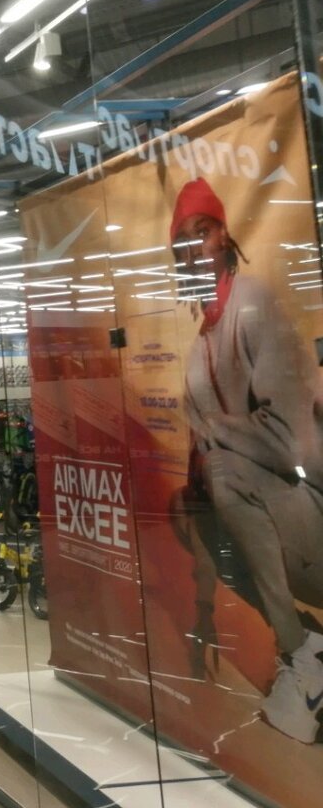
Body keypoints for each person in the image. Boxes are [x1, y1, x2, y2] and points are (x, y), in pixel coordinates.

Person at [168, 178, 323, 743]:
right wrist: (202, 611)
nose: (192, 250)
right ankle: (306, 648)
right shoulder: (196, 354)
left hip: (312, 509)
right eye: (180, 243)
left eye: (201, 232)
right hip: (274, 530)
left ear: (224, 236)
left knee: (221, 471)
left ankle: (304, 661)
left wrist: (215, 432)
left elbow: (290, 445)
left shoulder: (254, 303)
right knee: (187, 506)